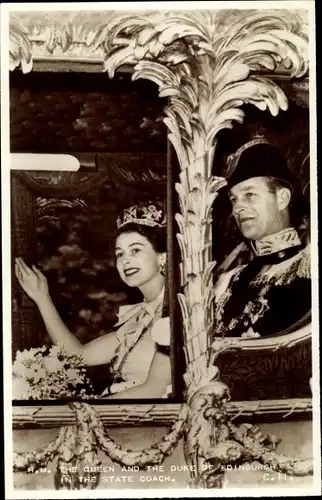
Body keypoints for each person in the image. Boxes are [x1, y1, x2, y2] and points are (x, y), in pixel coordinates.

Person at [15, 203, 172, 399]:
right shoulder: (138, 318)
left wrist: (90, 410)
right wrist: (41, 297)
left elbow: (154, 390)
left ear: (163, 257)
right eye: (120, 254)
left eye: (135, 250)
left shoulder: (174, 312)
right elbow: (78, 355)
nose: (125, 261)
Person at [214, 138, 311, 338]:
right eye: (233, 199)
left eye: (249, 195)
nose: (237, 208)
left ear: (282, 198)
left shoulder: (309, 268)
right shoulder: (229, 280)